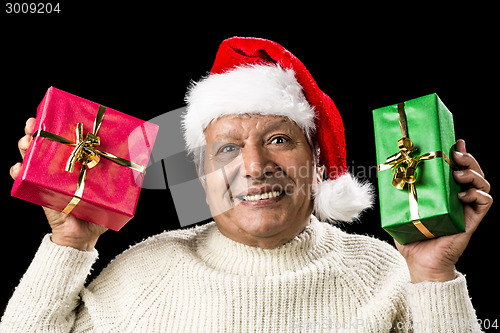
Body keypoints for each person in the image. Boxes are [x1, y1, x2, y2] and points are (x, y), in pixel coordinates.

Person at [1, 37, 492, 332]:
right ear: (202, 176)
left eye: (279, 139)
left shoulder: (389, 274)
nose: (255, 166)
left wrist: (431, 275)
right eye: (229, 148)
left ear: (318, 161)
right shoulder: (144, 275)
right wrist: (68, 243)